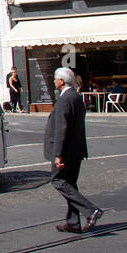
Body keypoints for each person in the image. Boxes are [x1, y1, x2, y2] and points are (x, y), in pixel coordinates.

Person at [44, 67, 103, 234]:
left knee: (58, 181)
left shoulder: (64, 100)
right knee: (70, 184)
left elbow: (61, 128)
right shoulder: (77, 97)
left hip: (66, 151)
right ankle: (73, 222)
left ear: (61, 81)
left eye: (55, 79)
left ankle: (91, 210)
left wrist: (58, 154)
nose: (54, 81)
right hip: (77, 150)